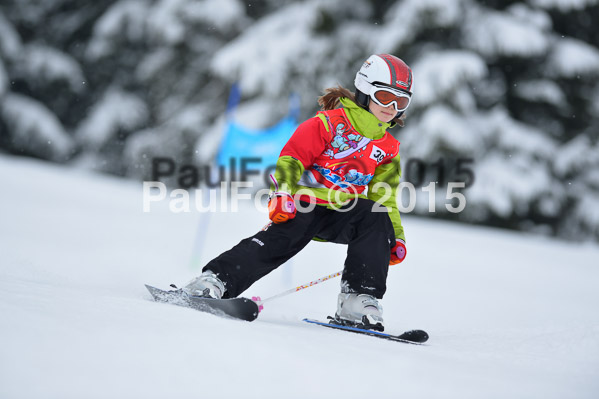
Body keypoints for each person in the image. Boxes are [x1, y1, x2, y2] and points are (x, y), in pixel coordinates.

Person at [184, 54, 412, 331]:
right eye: (385, 96)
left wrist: (395, 235)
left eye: (400, 102)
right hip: (305, 203)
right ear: (364, 90)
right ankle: (214, 281)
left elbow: (384, 196)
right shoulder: (328, 124)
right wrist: (282, 194)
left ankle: (357, 300)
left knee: (374, 217)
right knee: (279, 242)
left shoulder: (388, 148)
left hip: (343, 211)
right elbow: (292, 159)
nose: (391, 107)